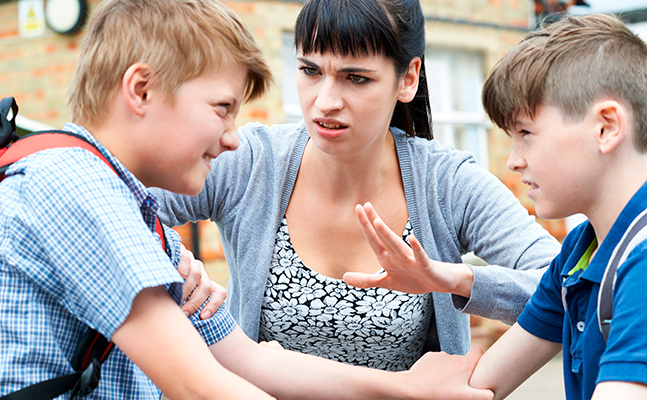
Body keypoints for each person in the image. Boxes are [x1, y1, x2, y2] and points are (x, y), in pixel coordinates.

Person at [0, 0, 492, 399]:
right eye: (222, 109)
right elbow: (201, 386)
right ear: (142, 90)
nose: (235, 138)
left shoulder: (130, 212)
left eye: (355, 77)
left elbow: (248, 359)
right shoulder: (75, 191)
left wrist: (404, 387)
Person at [151, 0, 560, 371]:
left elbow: (565, 285)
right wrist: (175, 264)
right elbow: (116, 201)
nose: (325, 100)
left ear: (407, 79)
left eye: (356, 78)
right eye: (310, 70)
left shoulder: (447, 184)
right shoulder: (251, 162)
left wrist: (452, 280)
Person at [447, 13, 647, 400]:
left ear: (606, 127)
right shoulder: (580, 250)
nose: (513, 160)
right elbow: (476, 388)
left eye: (525, 134)